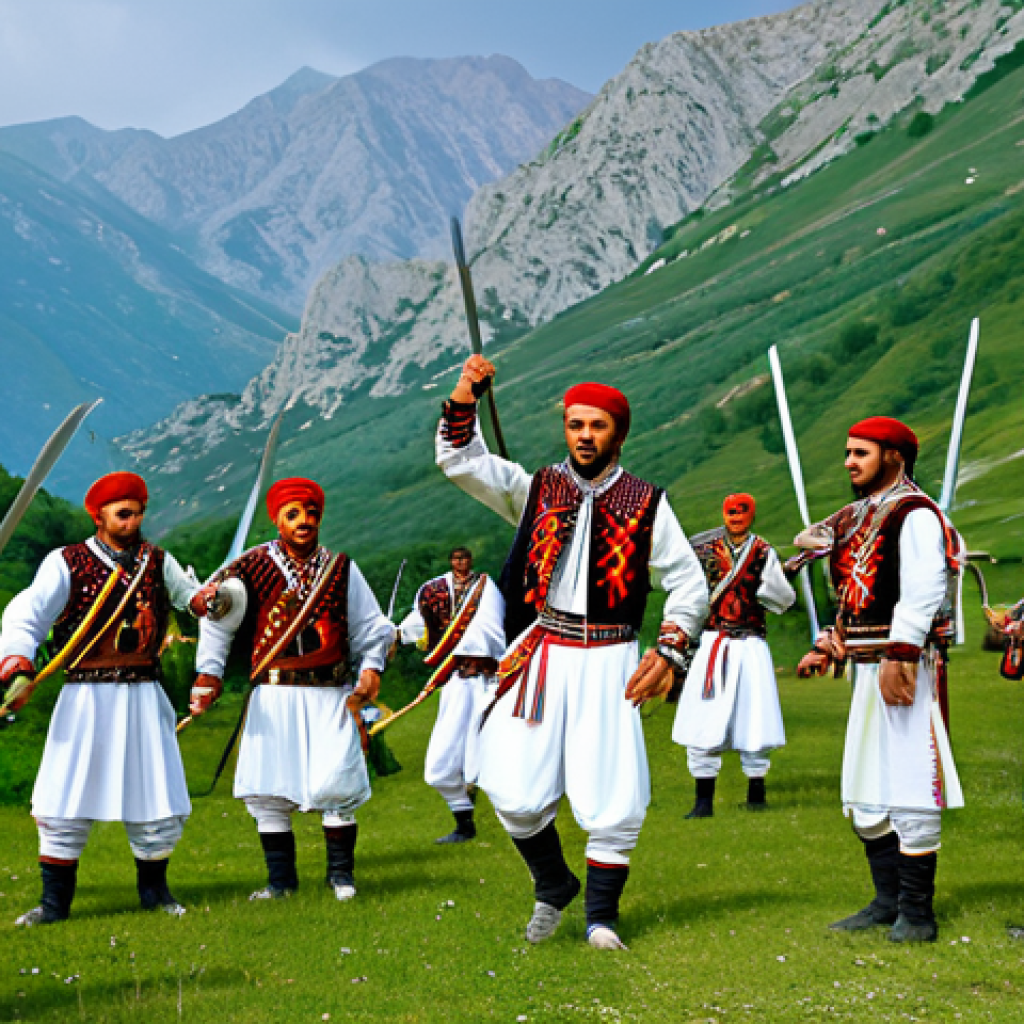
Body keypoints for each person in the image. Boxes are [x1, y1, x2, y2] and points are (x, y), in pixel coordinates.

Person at [436, 355, 708, 950]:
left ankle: (601, 918)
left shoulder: (646, 502)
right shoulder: (534, 487)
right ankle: (554, 881)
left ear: (618, 433)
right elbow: (460, 459)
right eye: (575, 425)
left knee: (611, 790)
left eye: (597, 426)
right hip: (542, 651)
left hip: (612, 660)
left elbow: (688, 582)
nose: (584, 436)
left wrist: (668, 650)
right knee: (510, 786)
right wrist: (466, 393)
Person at [0, 472, 215, 926]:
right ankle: (54, 905)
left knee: (154, 793)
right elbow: (27, 613)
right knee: (63, 798)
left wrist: (211, 600)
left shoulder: (158, 561)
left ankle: (155, 894)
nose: (133, 520)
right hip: (85, 699)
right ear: (98, 515)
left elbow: (190, 598)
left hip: (143, 695)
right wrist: (18, 663)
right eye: (123, 513)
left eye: (138, 512)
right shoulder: (67, 561)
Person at [792, 417, 962, 943]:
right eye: (847, 452)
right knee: (865, 792)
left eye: (860, 452)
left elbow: (925, 584)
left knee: (911, 785)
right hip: (866, 667)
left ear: (894, 457)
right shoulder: (857, 516)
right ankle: (887, 901)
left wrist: (903, 653)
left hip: (903, 665)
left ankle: (918, 913)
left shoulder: (915, 513)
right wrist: (830, 642)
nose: (849, 461)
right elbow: (851, 591)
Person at [192, 478, 394, 902]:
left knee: (336, 781)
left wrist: (371, 667)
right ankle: (281, 882)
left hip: (331, 693)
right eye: (294, 514)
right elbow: (215, 621)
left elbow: (371, 627)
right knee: (270, 788)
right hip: (274, 693)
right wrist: (208, 676)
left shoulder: (341, 568)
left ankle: (341, 876)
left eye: (311, 512)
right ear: (277, 519)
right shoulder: (247, 567)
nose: (305, 521)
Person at [672, 493, 795, 816]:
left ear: (751, 514)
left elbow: (780, 598)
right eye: (730, 511)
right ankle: (703, 801)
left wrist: (780, 578)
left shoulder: (763, 552)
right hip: (714, 642)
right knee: (703, 716)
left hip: (750, 644)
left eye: (742, 512)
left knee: (754, 717)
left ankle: (756, 792)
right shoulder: (704, 549)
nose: (735, 517)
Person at [399, 547, 505, 843]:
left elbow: (491, 633)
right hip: (457, 685)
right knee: (442, 761)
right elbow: (417, 623)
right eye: (456, 559)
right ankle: (465, 825)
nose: (461, 563)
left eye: (465, 558)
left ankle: (520, 823)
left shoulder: (486, 590)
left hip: (488, 683)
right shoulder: (436, 591)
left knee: (492, 752)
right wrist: (395, 634)